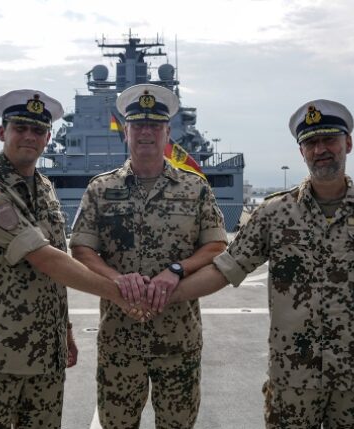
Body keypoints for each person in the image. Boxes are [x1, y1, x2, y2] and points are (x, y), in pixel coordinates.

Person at [166, 99, 354, 428]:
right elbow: (223, 269)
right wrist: (164, 293)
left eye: (329, 139)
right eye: (311, 143)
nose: (321, 150)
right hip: (293, 383)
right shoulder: (275, 213)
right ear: (301, 152)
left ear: (348, 143)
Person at [0, 89, 144, 429]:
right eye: (20, 127)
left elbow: (55, 271)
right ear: (2, 133)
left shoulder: (44, 188)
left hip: (44, 356)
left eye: (38, 130)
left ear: (47, 138)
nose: (29, 136)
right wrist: (120, 291)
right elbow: (46, 259)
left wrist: (65, 330)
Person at [70, 83, 228, 428]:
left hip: (179, 339)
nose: (146, 132)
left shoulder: (195, 187)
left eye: (154, 126)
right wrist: (117, 278)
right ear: (125, 132)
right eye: (138, 125)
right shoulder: (101, 189)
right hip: (119, 339)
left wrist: (177, 269)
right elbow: (81, 248)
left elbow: (216, 246)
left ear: (167, 132)